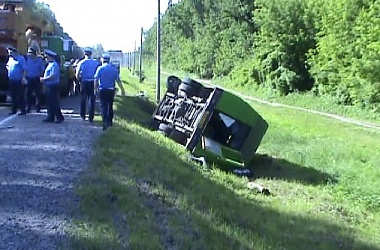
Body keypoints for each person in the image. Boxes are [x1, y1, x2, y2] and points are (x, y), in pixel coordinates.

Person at [94, 53, 125, 131]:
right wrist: (122, 89)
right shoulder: (114, 69)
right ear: (109, 60)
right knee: (110, 106)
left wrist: (95, 89)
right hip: (111, 90)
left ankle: (104, 121)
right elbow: (118, 80)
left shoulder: (100, 69)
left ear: (102, 60)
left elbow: (96, 80)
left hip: (102, 90)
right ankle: (110, 122)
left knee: (103, 106)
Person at [40, 49, 64, 123]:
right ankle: (50, 116)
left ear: (50, 57)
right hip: (48, 86)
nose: (46, 59)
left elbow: (53, 76)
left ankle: (59, 117)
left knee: (54, 102)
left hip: (53, 86)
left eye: (46, 57)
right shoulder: (50, 64)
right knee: (49, 102)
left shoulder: (54, 65)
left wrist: (44, 79)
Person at [75, 48, 99, 122]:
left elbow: (77, 74)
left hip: (84, 82)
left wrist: (79, 80)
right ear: (91, 54)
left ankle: (83, 115)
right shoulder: (96, 63)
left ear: (84, 54)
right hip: (93, 82)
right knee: (92, 100)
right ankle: (91, 117)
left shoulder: (81, 62)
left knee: (83, 99)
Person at [6, 46, 27, 115]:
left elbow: (25, 69)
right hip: (12, 80)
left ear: (15, 52)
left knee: (20, 96)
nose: (9, 54)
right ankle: (13, 110)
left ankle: (23, 110)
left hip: (19, 80)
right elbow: (8, 66)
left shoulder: (21, 59)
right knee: (13, 96)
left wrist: (23, 78)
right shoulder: (10, 59)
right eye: (9, 53)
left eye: (11, 52)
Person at [25, 47, 45, 113]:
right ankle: (28, 108)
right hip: (29, 78)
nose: (28, 54)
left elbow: (42, 70)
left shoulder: (39, 60)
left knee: (38, 94)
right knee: (28, 94)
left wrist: (40, 76)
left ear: (34, 53)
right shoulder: (27, 59)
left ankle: (38, 107)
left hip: (36, 78)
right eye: (28, 52)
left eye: (30, 52)